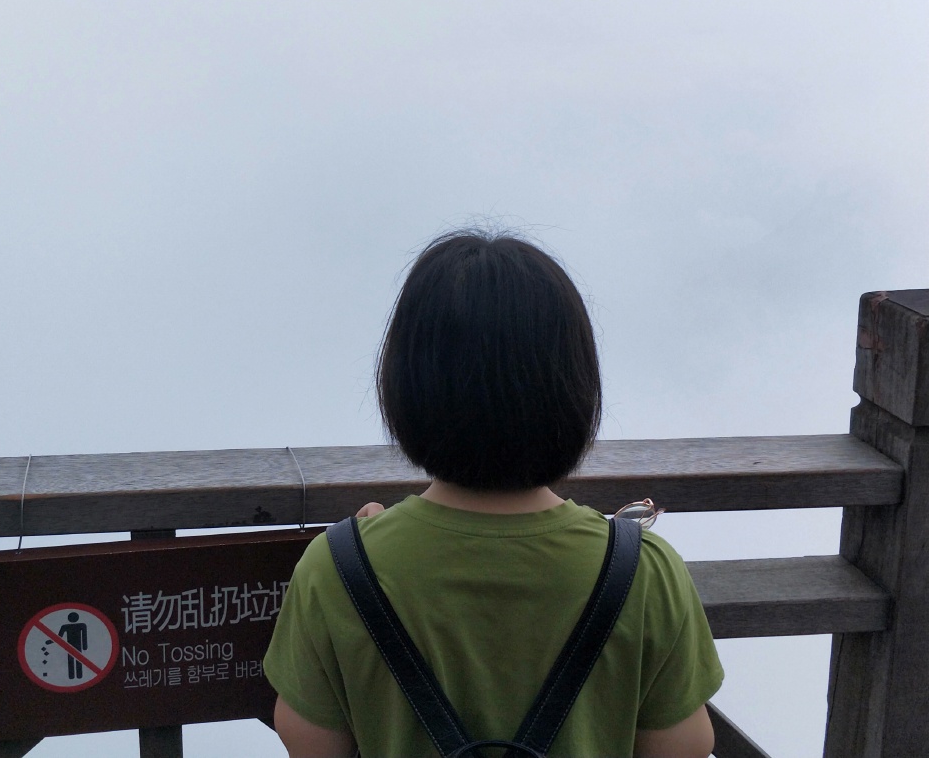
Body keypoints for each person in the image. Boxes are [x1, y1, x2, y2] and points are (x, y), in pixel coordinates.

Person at [263, 230, 723, 757]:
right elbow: (685, 746)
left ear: (406, 386)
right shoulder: (645, 573)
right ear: (573, 388)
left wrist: (364, 554)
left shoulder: (334, 571)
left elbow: (310, 744)